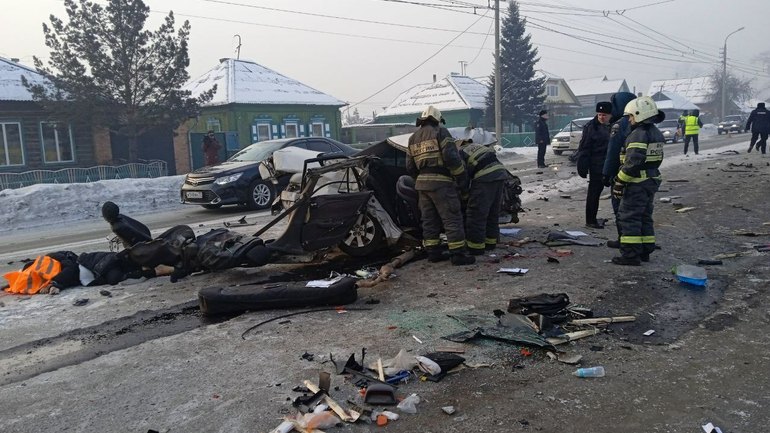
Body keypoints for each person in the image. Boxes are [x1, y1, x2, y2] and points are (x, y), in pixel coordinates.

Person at [406, 106, 475, 266]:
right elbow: (452, 158)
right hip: (441, 183)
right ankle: (458, 254)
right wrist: (461, 180)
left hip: (422, 186)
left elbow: (409, 166)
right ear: (438, 120)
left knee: (429, 220)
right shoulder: (441, 132)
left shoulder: (413, 138)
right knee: (452, 218)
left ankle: (433, 253)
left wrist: (421, 179)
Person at [611, 96, 665, 266]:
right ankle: (645, 250)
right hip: (651, 180)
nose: (629, 120)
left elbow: (633, 162)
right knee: (644, 216)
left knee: (629, 217)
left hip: (636, 183)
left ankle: (630, 255)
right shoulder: (655, 133)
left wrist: (619, 181)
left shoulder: (638, 135)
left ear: (640, 114)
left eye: (631, 116)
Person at [456, 137, 508, 255]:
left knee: (476, 213)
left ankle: (476, 247)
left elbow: (462, 175)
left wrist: (464, 195)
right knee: (492, 211)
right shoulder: (478, 146)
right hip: (500, 174)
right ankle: (490, 243)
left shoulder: (461, 152)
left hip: (485, 176)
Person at [602, 92, 637, 248]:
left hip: (621, 174)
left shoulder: (620, 124)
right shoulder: (640, 122)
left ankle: (625, 241)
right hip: (640, 176)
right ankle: (641, 245)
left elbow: (613, 151)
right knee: (638, 212)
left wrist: (606, 173)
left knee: (621, 209)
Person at [577, 102, 613, 229]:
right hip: (597, 165)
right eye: (600, 114)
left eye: (604, 115)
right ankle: (591, 220)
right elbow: (584, 148)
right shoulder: (591, 127)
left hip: (611, 163)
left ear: (610, 115)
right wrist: (582, 166)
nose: (602, 117)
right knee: (594, 192)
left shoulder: (615, 125)